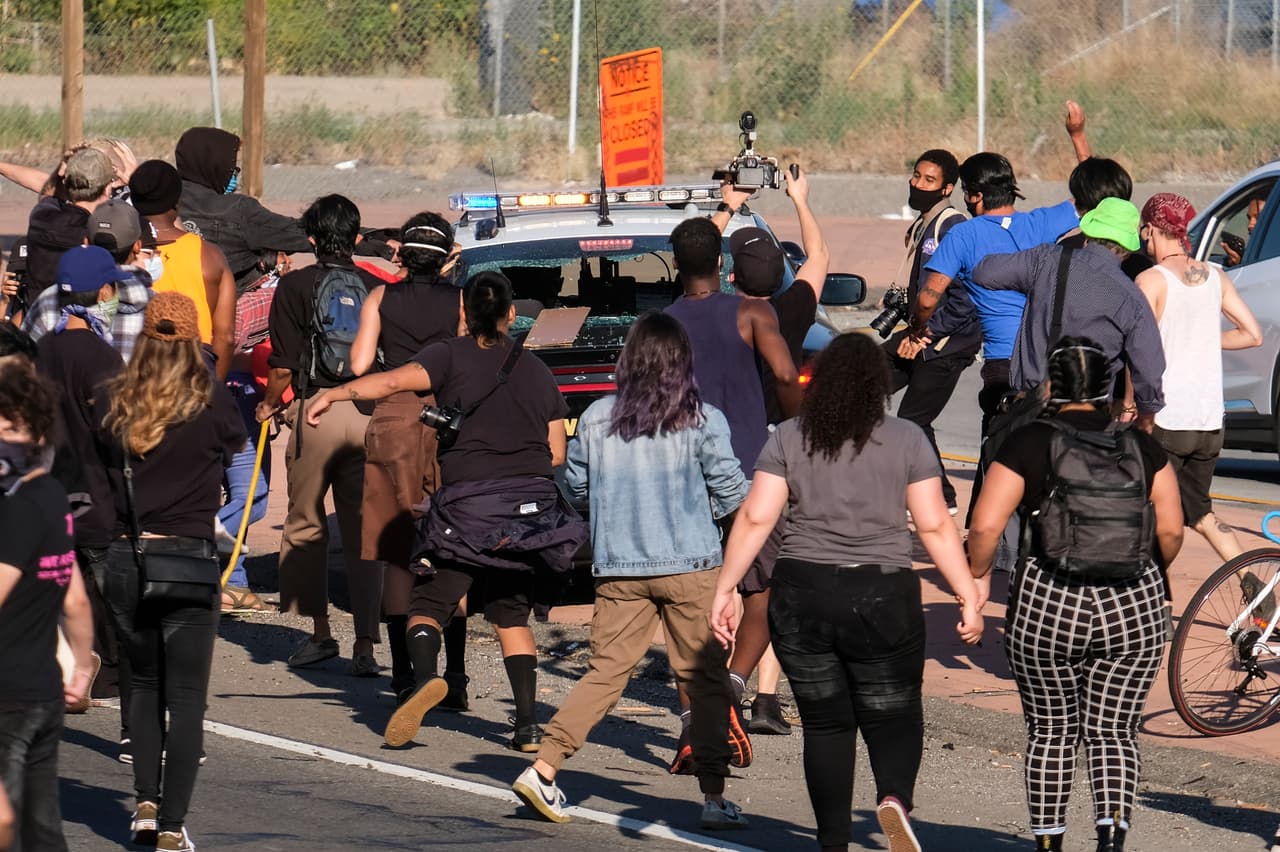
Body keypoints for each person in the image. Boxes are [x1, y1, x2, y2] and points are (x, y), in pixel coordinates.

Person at [710, 332, 984, 852]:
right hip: (881, 591)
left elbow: (757, 515)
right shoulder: (906, 438)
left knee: (826, 724)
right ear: (879, 386)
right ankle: (894, 798)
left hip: (803, 590)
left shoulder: (790, 436)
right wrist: (966, 592)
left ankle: (832, 841)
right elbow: (934, 526)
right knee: (895, 710)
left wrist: (727, 587)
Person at [305, 271, 582, 752]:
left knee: (428, 605)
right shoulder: (537, 370)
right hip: (528, 513)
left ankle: (426, 679)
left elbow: (391, 381)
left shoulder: (446, 355)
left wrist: (331, 394)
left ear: (463, 314)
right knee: (511, 618)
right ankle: (528, 727)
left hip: (468, 508)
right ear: (512, 315)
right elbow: (556, 453)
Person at [511, 311, 750, 830]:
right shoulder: (704, 419)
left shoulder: (598, 417)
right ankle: (712, 797)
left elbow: (572, 488)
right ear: (682, 363)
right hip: (692, 564)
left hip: (618, 566)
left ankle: (544, 766)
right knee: (704, 681)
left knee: (606, 672)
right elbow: (733, 493)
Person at [967, 338, 1184, 852]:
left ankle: (1049, 843)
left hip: (1050, 599)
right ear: (1107, 388)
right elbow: (1172, 531)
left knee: (1051, 731)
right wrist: (1145, 568)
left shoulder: (1028, 442)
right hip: (1134, 604)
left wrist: (977, 577)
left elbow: (985, 526)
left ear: (1052, 386)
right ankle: (1110, 837)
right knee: (1114, 731)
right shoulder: (1142, 446)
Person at [101, 292, 246, 852]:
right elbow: (236, 460)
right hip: (188, 559)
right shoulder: (212, 402)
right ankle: (170, 823)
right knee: (187, 698)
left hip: (128, 556)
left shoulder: (116, 401)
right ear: (192, 344)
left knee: (141, 686)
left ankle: (143, 799)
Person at [663, 214, 799, 764]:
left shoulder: (662, 323)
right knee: (764, 591)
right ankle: (736, 688)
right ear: (721, 264)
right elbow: (787, 377)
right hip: (748, 474)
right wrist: (800, 432)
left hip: (683, 476)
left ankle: (696, 720)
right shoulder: (752, 311)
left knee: (689, 602)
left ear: (677, 265)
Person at [706, 166, 830, 736]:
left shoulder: (710, 314)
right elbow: (821, 259)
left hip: (709, 456)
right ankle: (764, 696)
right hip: (770, 456)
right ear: (781, 273)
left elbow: (694, 268)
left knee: (721, 573)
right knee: (768, 575)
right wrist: (801, 199)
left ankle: (712, 673)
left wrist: (728, 206)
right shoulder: (790, 312)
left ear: (729, 274)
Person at [255, 194, 385, 675]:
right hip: (367, 411)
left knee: (305, 523)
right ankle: (368, 644)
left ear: (310, 238)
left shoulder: (294, 286)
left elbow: (284, 366)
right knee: (361, 531)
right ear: (355, 238)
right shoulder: (376, 285)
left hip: (314, 414)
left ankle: (320, 633)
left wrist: (269, 406)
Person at [349, 211, 465, 703]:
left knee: (397, 547)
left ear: (403, 253)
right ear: (445, 257)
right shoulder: (458, 300)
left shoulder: (380, 297)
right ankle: (455, 675)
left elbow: (357, 364)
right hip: (445, 418)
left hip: (393, 417)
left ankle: (402, 673)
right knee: (453, 544)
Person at [0, 358, 95, 852]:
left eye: (11, 428)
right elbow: (75, 598)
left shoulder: (14, 508)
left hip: (8, 691)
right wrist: (80, 667)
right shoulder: (53, 495)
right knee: (43, 828)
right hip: (44, 690)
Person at [1136, 193, 1263, 562]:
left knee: (1148, 513)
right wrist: (1207, 340)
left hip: (1167, 418)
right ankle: (1252, 585)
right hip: (1208, 422)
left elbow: (1139, 351)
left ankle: (1150, 603)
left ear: (1153, 229)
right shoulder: (1215, 277)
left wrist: (1131, 404)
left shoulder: (1151, 280)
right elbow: (1252, 334)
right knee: (1201, 513)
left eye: (1145, 233)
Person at [34, 246, 129, 728]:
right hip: (97, 491)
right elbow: (115, 432)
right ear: (105, 293)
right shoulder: (103, 355)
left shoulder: (43, 350)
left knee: (56, 581)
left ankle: (65, 661)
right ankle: (102, 670)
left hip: (51, 489)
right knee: (107, 588)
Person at [972, 197, 1166, 427]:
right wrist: (1145, 417)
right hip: (1089, 421)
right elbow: (1149, 368)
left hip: (1032, 411)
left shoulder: (1046, 260)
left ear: (1088, 235)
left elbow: (984, 273)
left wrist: (1035, 291)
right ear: (1127, 250)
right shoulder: (1132, 299)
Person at [882, 148, 976, 515]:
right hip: (918, 332)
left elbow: (964, 302)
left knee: (913, 419)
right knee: (859, 380)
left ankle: (941, 497)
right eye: (916, 175)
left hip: (948, 343)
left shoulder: (951, 227)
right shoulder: (926, 223)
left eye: (928, 180)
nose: (917, 183)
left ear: (947, 188)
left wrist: (925, 334)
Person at [128, 160, 236, 380]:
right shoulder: (210, 255)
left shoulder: (124, 250)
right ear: (178, 200)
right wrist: (215, 390)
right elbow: (225, 337)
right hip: (195, 372)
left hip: (139, 373)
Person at [174, 127, 312, 291]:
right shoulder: (238, 210)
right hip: (226, 309)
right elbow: (290, 233)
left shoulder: (161, 200)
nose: (234, 173)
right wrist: (339, 230)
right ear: (215, 165)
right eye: (232, 166)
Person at [22, 199, 154, 362]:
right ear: (137, 246)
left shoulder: (51, 298)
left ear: (86, 241)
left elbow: (23, 361)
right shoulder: (156, 306)